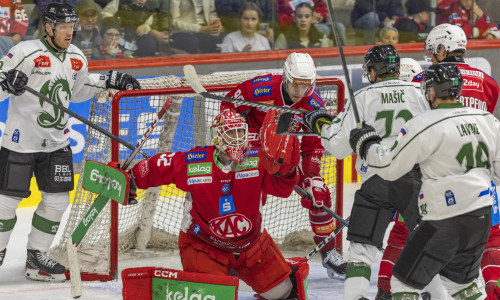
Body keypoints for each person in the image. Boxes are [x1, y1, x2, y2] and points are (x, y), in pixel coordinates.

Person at [0, 3, 141, 282]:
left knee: (57, 202)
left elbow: (78, 91)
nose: (69, 32)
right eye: (63, 27)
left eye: (71, 27)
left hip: (56, 143)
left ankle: (36, 257)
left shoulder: (76, 56)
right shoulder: (25, 52)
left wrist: (109, 80)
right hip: (21, 143)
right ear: (48, 27)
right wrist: (5, 83)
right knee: (5, 203)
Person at [348, 62, 496, 300]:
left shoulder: (424, 123)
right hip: (480, 217)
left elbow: (390, 166)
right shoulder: (489, 120)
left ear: (432, 91)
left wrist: (367, 144)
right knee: (462, 286)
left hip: (444, 219)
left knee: (402, 284)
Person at [124, 109, 305, 299]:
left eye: (240, 132)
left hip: (250, 246)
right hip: (204, 246)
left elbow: (281, 189)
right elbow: (159, 166)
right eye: (231, 132)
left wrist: (287, 171)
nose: (237, 138)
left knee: (282, 293)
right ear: (218, 136)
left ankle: (243, 270)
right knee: (215, 296)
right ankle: (221, 272)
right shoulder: (196, 162)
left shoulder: (258, 159)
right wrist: (131, 179)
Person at [376, 23, 500, 299]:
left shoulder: (425, 81)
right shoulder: (489, 84)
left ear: (443, 49)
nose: (430, 57)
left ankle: (386, 291)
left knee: (403, 234)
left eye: (433, 52)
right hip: (480, 183)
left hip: (434, 182)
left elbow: (411, 128)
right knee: (491, 239)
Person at [302, 44, 429, 299]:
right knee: (427, 243)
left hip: (376, 181)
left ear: (373, 70)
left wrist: (321, 124)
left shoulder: (363, 97)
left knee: (361, 250)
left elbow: (337, 147)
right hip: (416, 180)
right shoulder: (422, 93)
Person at [221, 52, 348, 279]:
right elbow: (228, 107)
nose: (299, 92)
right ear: (285, 77)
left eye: (305, 86)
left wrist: (312, 179)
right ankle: (234, 253)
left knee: (320, 196)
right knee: (244, 198)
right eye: (294, 85)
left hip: (283, 158)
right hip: (251, 152)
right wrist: (240, 139)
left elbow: (312, 148)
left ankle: (329, 253)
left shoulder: (313, 105)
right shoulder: (259, 89)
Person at [101, 0, 169, 57]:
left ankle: (143, 62)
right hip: (118, 33)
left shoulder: (147, 10)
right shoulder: (119, 2)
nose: (141, 0)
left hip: (135, 36)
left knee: (149, 42)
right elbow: (106, 13)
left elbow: (148, 24)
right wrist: (115, 22)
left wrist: (144, 27)